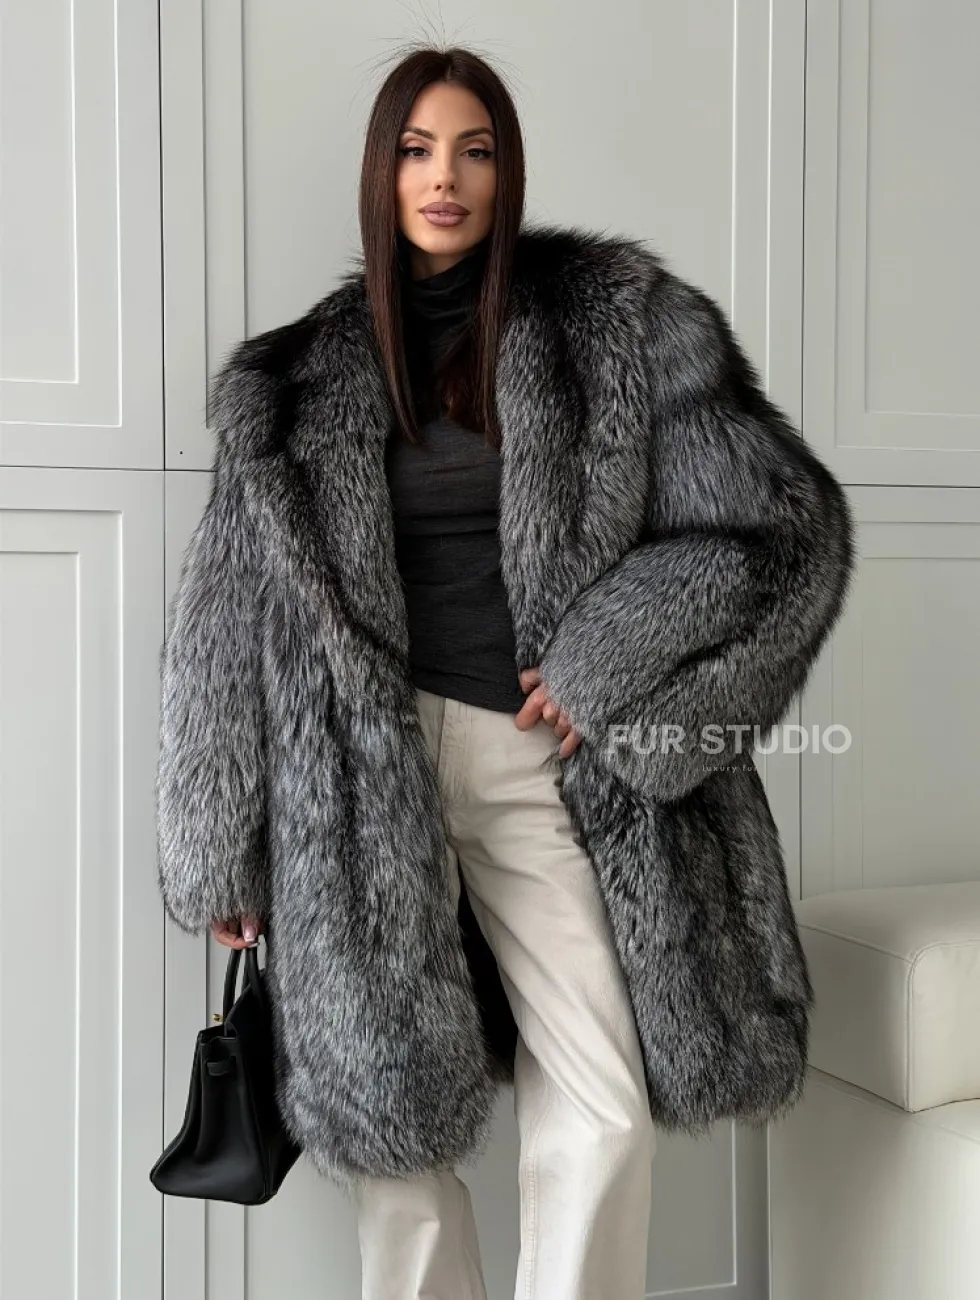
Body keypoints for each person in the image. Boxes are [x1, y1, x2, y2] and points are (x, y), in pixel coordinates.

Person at [155, 43, 855, 1300]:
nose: (445, 178)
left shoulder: (615, 321)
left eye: (473, 151)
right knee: (391, 1140)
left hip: (534, 752)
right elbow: (224, 626)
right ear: (381, 174)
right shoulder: (287, 385)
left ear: (505, 170)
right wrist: (219, 843)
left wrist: (602, 660)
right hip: (353, 789)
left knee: (601, 1104)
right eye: (417, 150)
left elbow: (778, 528)